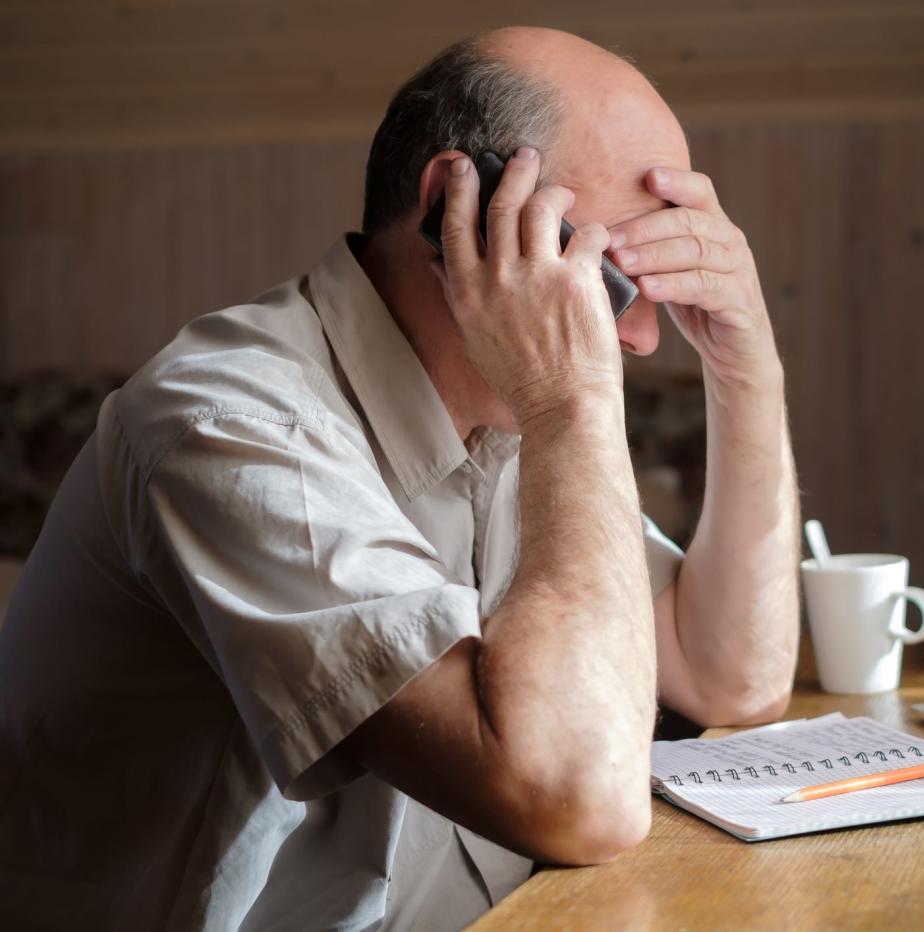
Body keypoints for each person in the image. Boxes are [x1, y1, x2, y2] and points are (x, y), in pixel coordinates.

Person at [0, 26, 799, 931]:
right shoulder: (229, 426)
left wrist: (746, 365)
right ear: (453, 210)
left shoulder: (506, 418)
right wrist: (569, 402)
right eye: (611, 279)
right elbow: (578, 799)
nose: (643, 342)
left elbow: (727, 671)